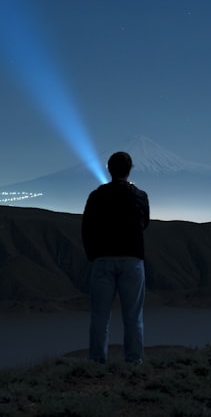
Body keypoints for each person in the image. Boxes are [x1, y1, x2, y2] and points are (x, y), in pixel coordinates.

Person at [81, 151, 151, 363]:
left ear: (108, 169)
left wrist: (93, 254)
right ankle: (134, 363)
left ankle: (96, 364)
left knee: (100, 317)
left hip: (102, 260)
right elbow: (144, 224)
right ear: (129, 170)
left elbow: (87, 228)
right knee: (133, 317)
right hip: (132, 260)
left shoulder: (96, 196)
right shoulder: (139, 195)